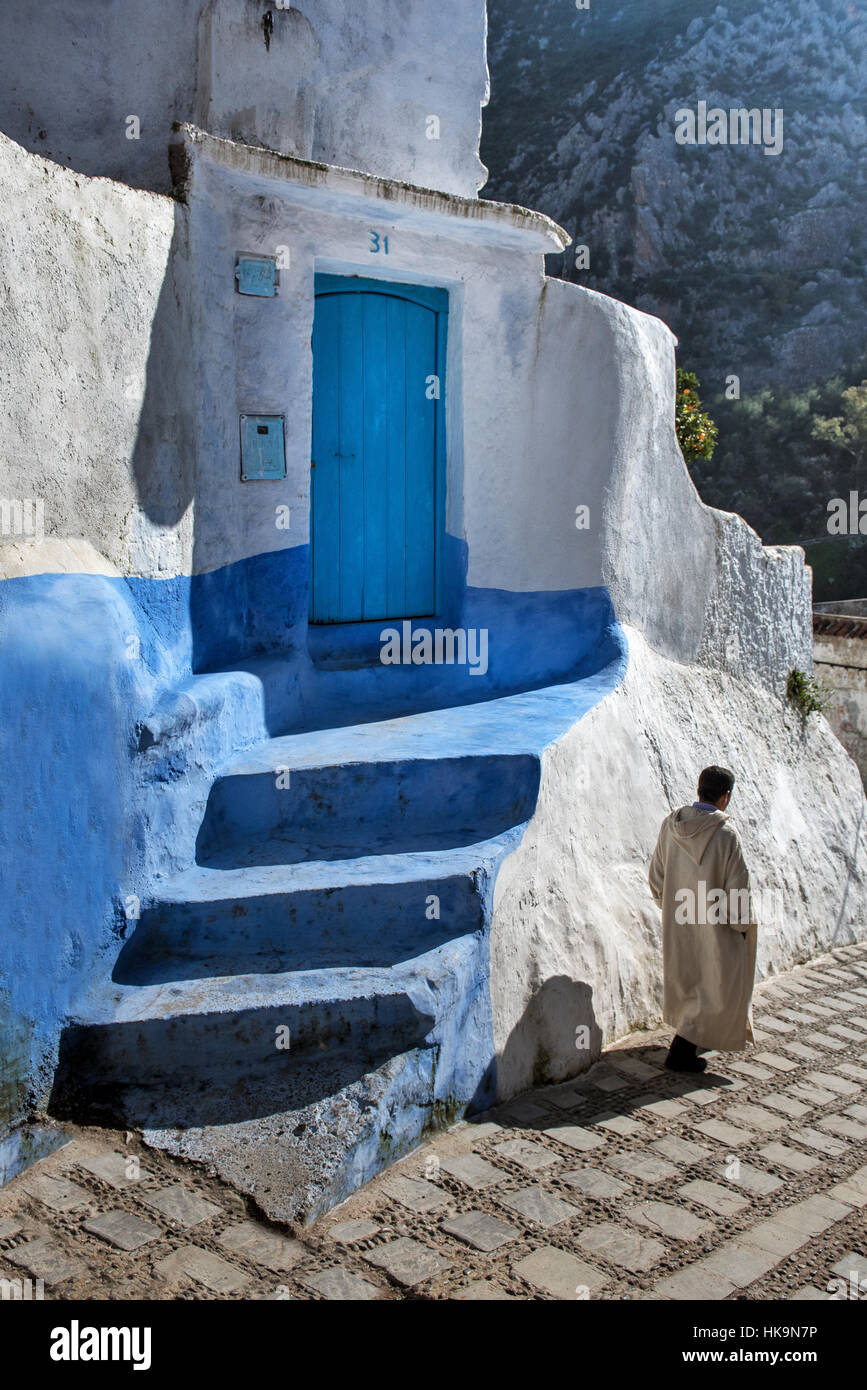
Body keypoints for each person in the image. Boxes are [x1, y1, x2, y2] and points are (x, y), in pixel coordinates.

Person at [648, 765, 757, 1072]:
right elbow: (738, 888)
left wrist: (666, 903)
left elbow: (657, 874)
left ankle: (689, 1044)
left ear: (699, 789)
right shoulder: (725, 835)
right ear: (725, 797)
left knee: (689, 980)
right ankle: (682, 1052)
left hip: (680, 918)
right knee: (718, 982)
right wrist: (741, 926)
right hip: (715, 925)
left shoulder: (671, 825)